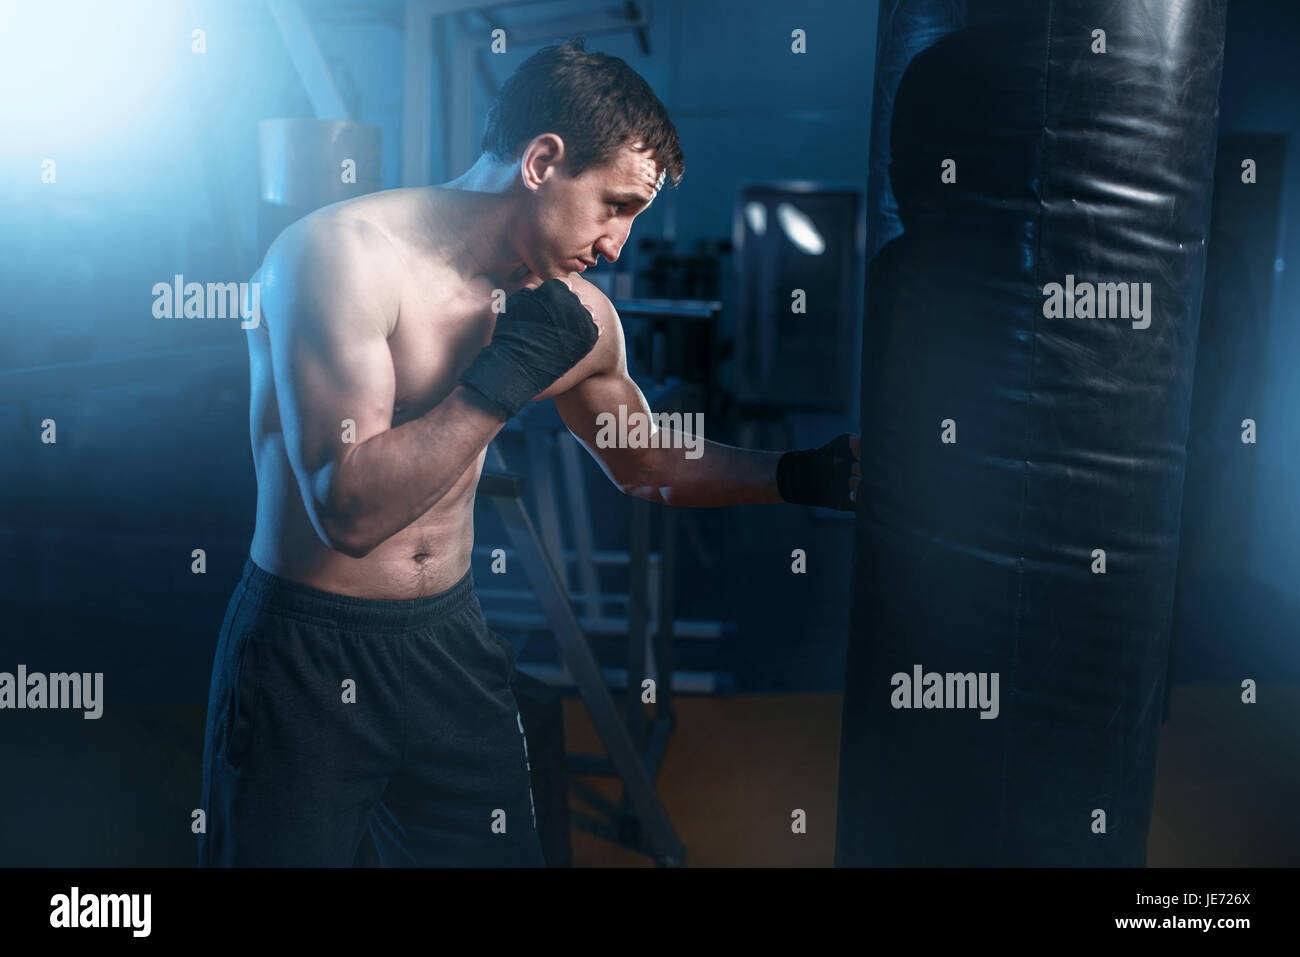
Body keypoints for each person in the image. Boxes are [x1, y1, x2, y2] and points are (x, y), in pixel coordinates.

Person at [199, 37, 859, 867]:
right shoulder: (340, 259)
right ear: (543, 161)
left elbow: (646, 460)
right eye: (613, 205)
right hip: (306, 651)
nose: (619, 244)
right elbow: (349, 510)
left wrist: (798, 474)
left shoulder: (573, 312)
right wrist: (497, 379)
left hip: (447, 641)